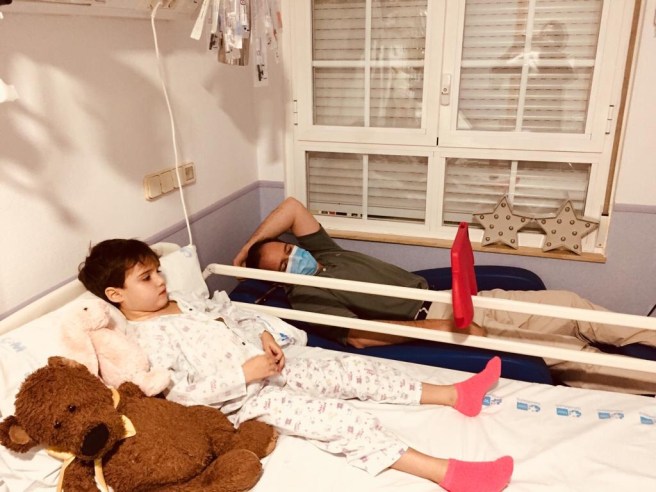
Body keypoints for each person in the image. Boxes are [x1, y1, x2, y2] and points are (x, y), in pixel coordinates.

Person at [78, 239, 514, 492]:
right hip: (243, 402)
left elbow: (230, 313)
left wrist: (263, 337)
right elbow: (180, 395)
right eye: (147, 278)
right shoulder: (147, 339)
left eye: (159, 271)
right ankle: (447, 473)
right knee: (338, 418)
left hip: (270, 368)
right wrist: (244, 375)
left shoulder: (182, 301)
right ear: (116, 295)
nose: (161, 280)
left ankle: (454, 394)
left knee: (350, 371)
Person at [233, 198, 656, 395]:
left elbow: (292, 208)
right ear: (280, 280)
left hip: (454, 298)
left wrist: (247, 249)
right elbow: (359, 337)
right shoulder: (309, 296)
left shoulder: (324, 254)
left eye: (288, 248)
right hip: (442, 320)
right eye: (284, 264)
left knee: (572, 308)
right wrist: (443, 326)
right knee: (570, 352)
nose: (294, 256)